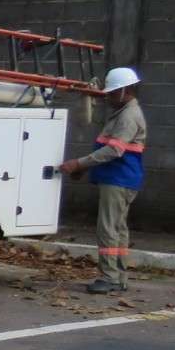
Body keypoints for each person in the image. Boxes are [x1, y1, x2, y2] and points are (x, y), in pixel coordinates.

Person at [59, 66, 146, 295]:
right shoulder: (124, 112)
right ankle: (118, 277)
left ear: (124, 90)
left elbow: (113, 152)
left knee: (108, 229)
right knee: (118, 229)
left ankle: (109, 277)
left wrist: (79, 164)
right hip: (120, 178)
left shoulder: (128, 117)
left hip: (118, 179)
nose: (107, 97)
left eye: (111, 92)